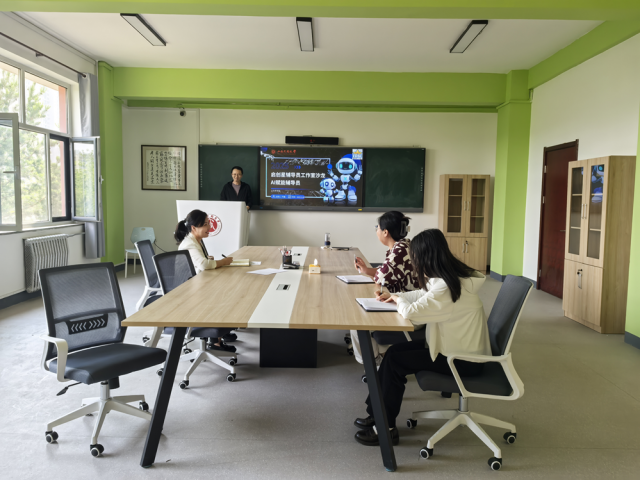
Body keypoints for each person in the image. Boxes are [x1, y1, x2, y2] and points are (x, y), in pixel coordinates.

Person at [354, 228, 490, 447]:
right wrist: (395, 295)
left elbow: (411, 313)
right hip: (453, 347)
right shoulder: (451, 278)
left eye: (415, 258)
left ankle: (385, 429)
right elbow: (422, 294)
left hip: (461, 360)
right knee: (393, 354)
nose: (414, 263)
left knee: (395, 361)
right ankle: (377, 414)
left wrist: (399, 301)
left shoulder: (446, 287)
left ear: (425, 257)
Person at [349, 211, 420, 365]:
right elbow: (385, 272)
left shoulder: (400, 249)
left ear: (385, 232)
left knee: (356, 322)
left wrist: (371, 272)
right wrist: (366, 270)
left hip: (406, 307)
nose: (377, 231)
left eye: (377, 228)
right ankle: (379, 354)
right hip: (402, 300)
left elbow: (381, 276)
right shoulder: (403, 244)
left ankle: (374, 362)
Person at [175, 209, 237, 352]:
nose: (209, 227)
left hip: (195, 282)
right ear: (193, 228)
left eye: (208, 223)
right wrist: (223, 262)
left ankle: (221, 333)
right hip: (188, 290)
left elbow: (200, 262)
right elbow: (203, 265)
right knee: (222, 294)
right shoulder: (190, 243)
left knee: (225, 289)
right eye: (205, 224)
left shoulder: (196, 240)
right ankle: (215, 341)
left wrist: (208, 260)